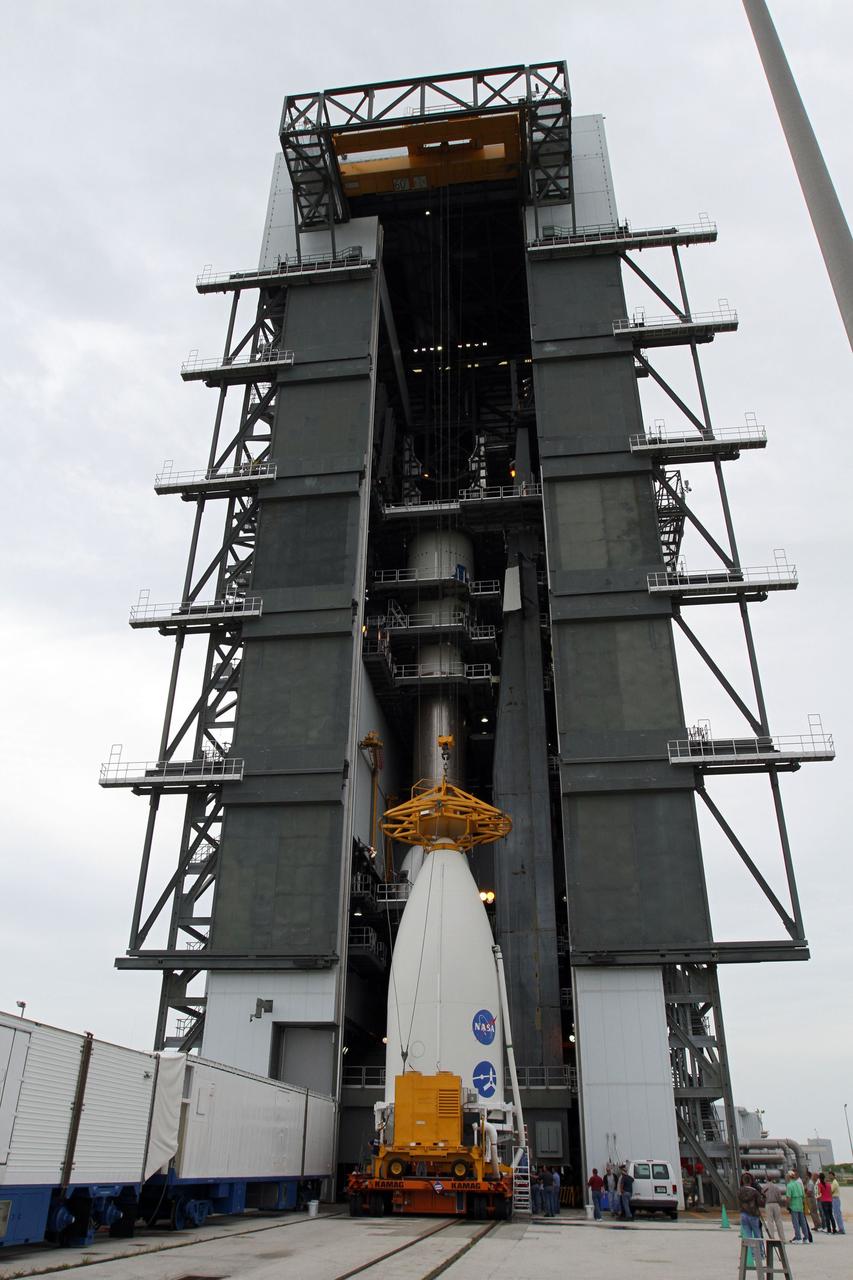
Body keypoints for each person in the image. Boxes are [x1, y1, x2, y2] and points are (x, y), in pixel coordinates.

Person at [738, 1172, 765, 1259]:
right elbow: (761, 1203)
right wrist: (763, 1197)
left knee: (748, 1234)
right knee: (757, 1234)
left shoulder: (740, 1190)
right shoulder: (754, 1192)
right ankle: (760, 1253)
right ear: (751, 1181)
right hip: (753, 1213)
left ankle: (751, 1253)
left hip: (743, 1213)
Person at [786, 1168, 812, 1243]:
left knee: (796, 1223)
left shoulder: (789, 1185)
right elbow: (803, 1195)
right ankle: (806, 1238)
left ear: (789, 1177)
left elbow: (788, 1197)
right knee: (803, 1222)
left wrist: (787, 1206)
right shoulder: (799, 1184)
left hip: (793, 1205)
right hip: (800, 1205)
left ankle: (798, 1238)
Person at [760, 1176, 787, 1240]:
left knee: (770, 1221)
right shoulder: (776, 1187)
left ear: (766, 1180)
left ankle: (772, 1237)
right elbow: (779, 1197)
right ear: (772, 1180)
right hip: (776, 1204)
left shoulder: (764, 1188)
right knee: (778, 1221)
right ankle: (782, 1238)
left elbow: (762, 1197)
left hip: (768, 1204)